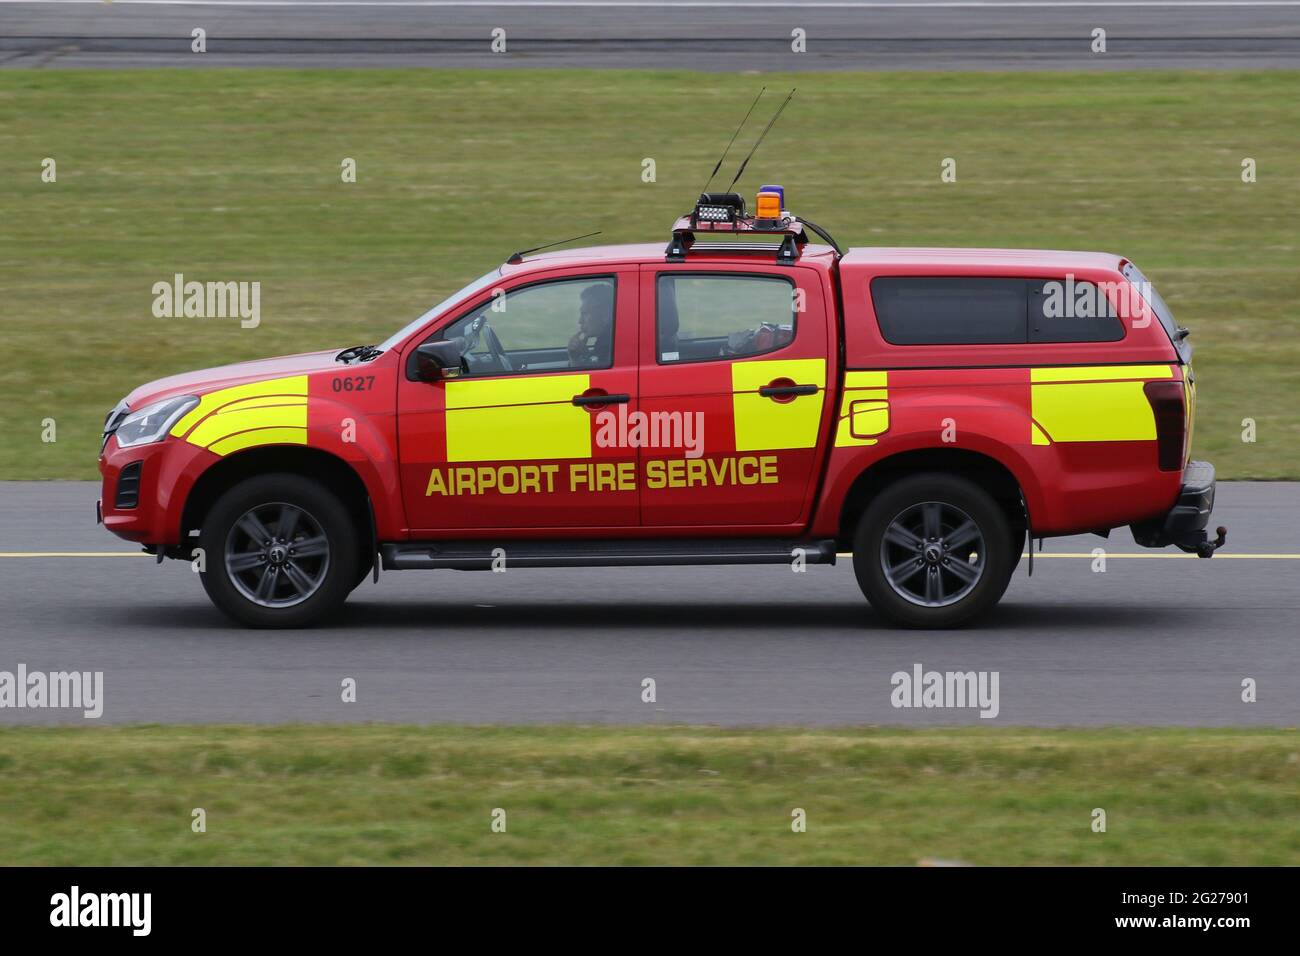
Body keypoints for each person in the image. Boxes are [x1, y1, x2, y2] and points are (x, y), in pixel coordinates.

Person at [567, 283, 614, 367]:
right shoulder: (604, 342)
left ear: (605, 314)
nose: (580, 321)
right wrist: (575, 358)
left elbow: (598, 378)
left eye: (585, 313)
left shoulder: (609, 347)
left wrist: (585, 355)